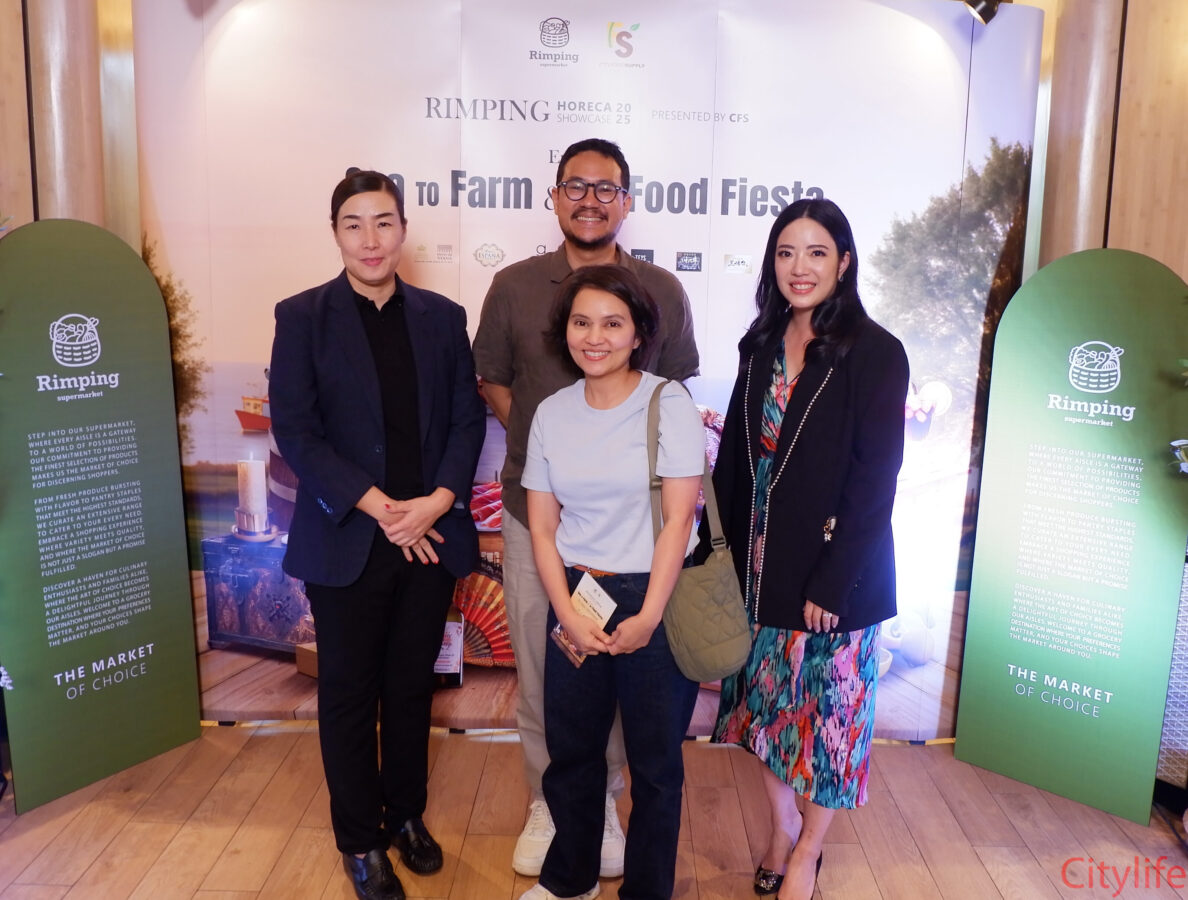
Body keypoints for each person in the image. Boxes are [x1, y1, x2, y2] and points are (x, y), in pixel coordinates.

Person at [472, 138, 700, 878]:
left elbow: (674, 395)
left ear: (627, 200)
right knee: (550, 674)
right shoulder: (513, 286)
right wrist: (558, 452)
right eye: (575, 186)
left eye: (606, 188)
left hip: (639, 532)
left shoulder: (661, 289)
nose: (590, 200)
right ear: (554, 196)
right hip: (542, 517)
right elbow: (493, 380)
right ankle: (556, 804)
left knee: (634, 688)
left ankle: (606, 802)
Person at [269, 169, 485, 900]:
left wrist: (438, 501)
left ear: (403, 231)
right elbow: (296, 431)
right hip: (350, 538)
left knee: (412, 687)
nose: (371, 239)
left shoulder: (442, 317)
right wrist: (382, 507)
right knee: (350, 695)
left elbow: (467, 421)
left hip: (428, 537)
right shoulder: (303, 317)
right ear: (335, 233)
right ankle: (360, 842)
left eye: (384, 222)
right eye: (354, 224)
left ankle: (406, 817)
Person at [709, 199, 908, 900]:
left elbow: (875, 479)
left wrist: (834, 581)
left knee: (828, 725)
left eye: (817, 252)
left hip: (833, 576)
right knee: (763, 714)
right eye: (786, 252)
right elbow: (735, 462)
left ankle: (808, 852)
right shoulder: (760, 344)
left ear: (844, 263)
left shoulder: (875, 352)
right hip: (759, 570)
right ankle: (781, 827)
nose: (800, 267)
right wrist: (718, 558)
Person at [520, 265, 705, 900]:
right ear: (564, 330)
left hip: (655, 594)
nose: (594, 337)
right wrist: (566, 614)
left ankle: (647, 891)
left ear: (638, 333)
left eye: (612, 323)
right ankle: (570, 880)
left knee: (655, 766)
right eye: (581, 322)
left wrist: (649, 615)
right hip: (578, 593)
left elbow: (679, 519)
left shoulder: (668, 403)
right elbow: (542, 526)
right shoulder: (551, 412)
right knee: (572, 752)